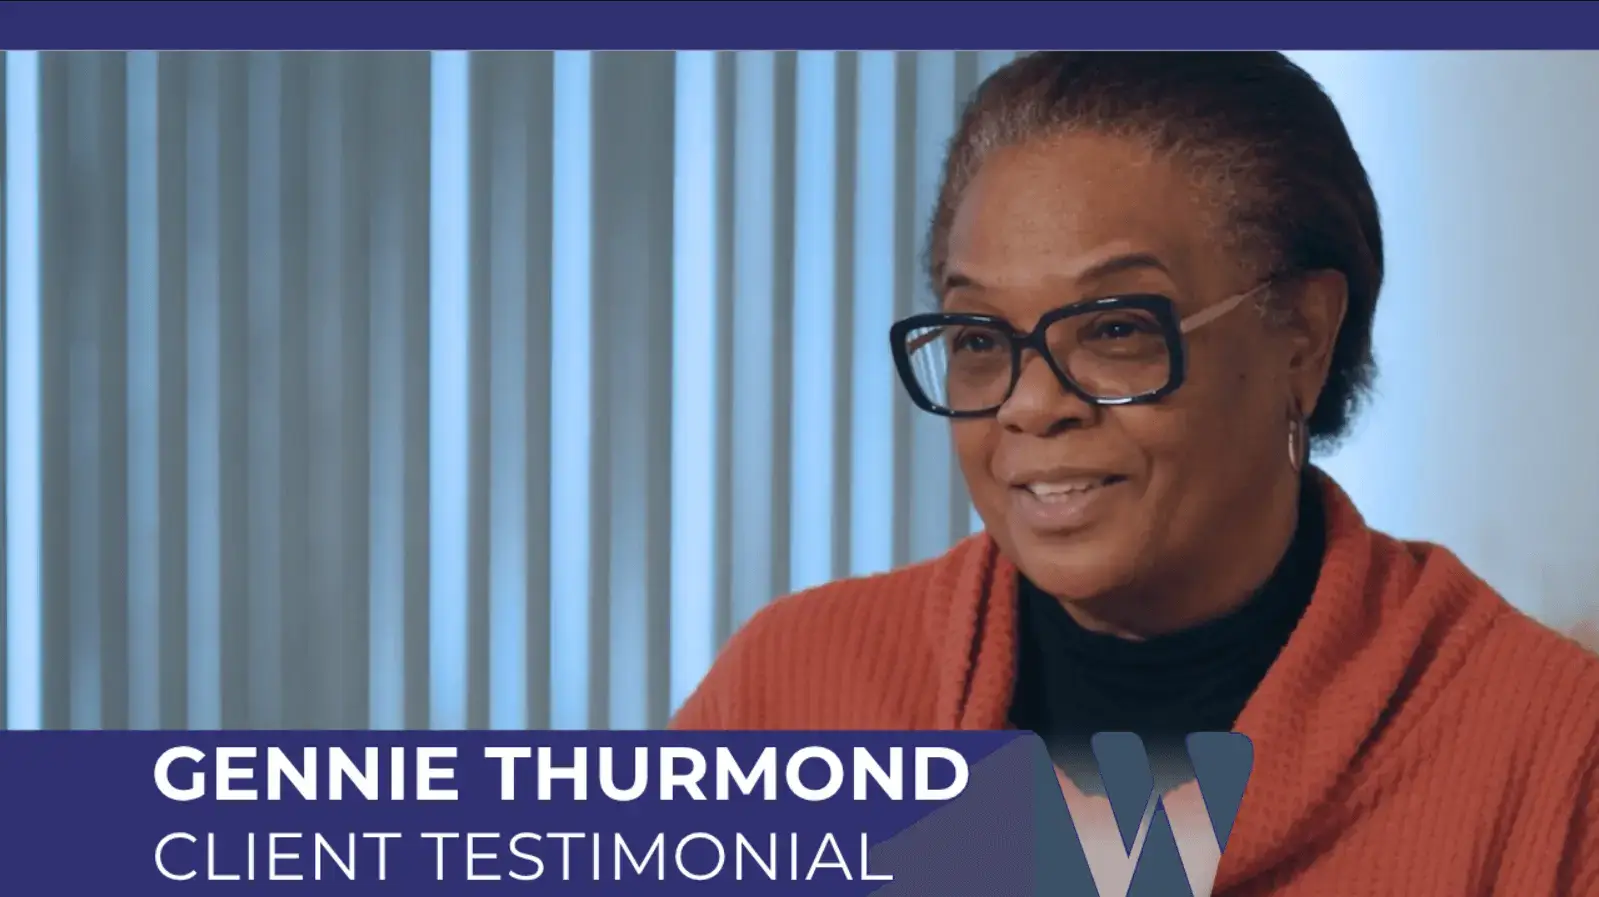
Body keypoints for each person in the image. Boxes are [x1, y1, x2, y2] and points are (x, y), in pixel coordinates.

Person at [671, 51, 1599, 895]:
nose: (1029, 405)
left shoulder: (1548, 751)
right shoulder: (790, 693)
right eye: (978, 338)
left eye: (1114, 328)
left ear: (1302, 337)